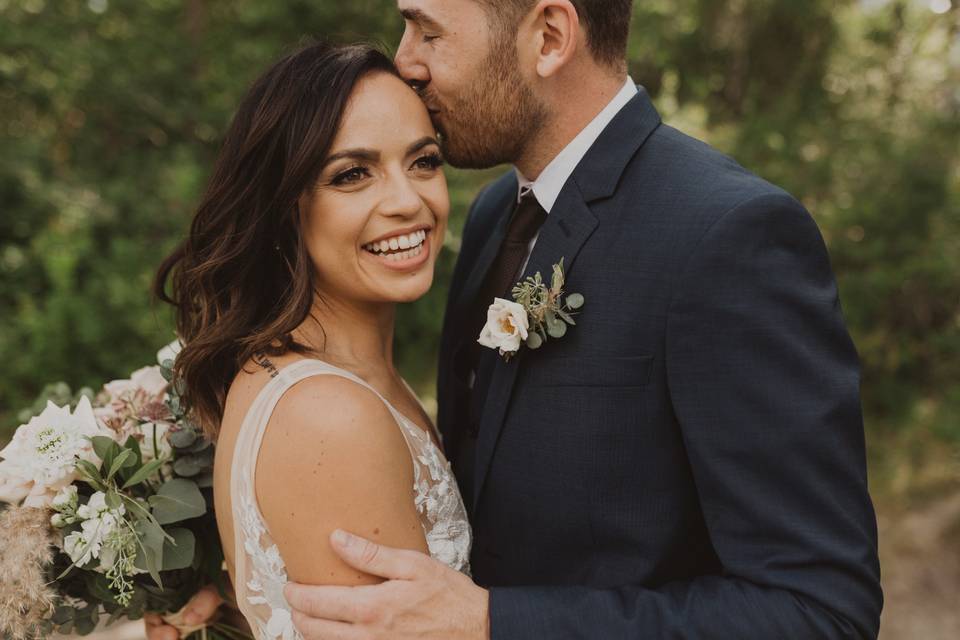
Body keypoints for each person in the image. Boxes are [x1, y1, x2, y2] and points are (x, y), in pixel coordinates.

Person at [149, 0, 883, 638]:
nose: (407, 63)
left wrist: (497, 625)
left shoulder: (725, 236)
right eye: (354, 172)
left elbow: (820, 609)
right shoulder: (501, 216)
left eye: (426, 31)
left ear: (550, 36)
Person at [149, 41, 477, 640]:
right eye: (353, 174)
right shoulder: (329, 415)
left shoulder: (336, 376)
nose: (409, 201)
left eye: (424, 161)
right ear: (284, 208)